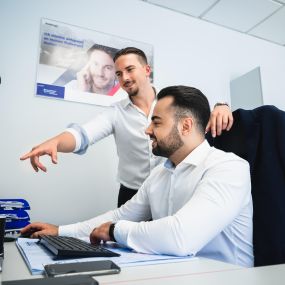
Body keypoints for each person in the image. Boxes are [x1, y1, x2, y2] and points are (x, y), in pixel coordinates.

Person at [21, 85, 253, 267]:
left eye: (156, 122)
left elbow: (181, 237)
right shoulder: (159, 174)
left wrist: (114, 230)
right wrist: (60, 231)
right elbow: (120, 214)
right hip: (178, 272)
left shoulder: (228, 167)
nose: (147, 130)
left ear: (185, 126)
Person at [20, 47, 233, 207]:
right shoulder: (115, 113)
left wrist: (221, 106)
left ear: (147, 69)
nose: (125, 78)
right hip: (131, 194)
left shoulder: (172, 102)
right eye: (119, 74)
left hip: (172, 188)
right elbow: (82, 134)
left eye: (130, 69)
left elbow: (198, 114)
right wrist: (56, 142)